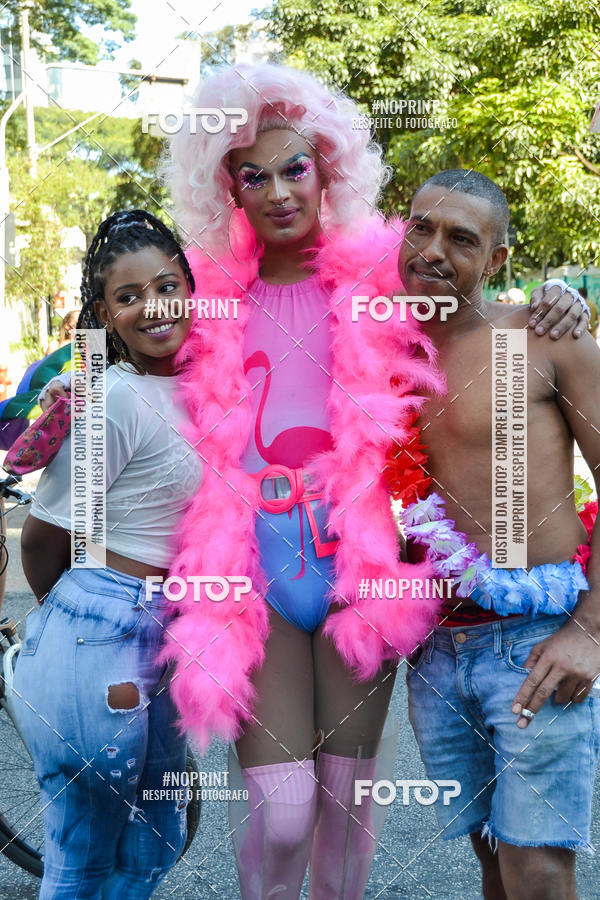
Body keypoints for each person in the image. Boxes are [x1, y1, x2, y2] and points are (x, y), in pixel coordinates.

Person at [156, 65, 589, 899]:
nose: (279, 190)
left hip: (362, 574)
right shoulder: (203, 296)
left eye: (296, 168)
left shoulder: (381, 282)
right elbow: (121, 332)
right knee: (283, 816)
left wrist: (559, 299)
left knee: (349, 815)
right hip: (252, 576)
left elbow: (471, 297)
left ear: (328, 172)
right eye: (254, 175)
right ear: (229, 190)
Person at [396, 170, 600, 900]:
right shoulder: (376, 350)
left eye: (462, 239)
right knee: (490, 857)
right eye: (421, 227)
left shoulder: (543, 337)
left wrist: (590, 633)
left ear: (498, 259)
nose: (433, 250)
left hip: (535, 640)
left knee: (537, 867)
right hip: (434, 647)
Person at [12, 210, 203, 898]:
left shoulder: (212, 388)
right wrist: (72, 621)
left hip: (172, 627)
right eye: (128, 297)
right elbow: (42, 537)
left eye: (166, 285)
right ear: (105, 313)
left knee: (157, 838)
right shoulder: (114, 396)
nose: (153, 308)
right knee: (84, 851)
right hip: (99, 627)